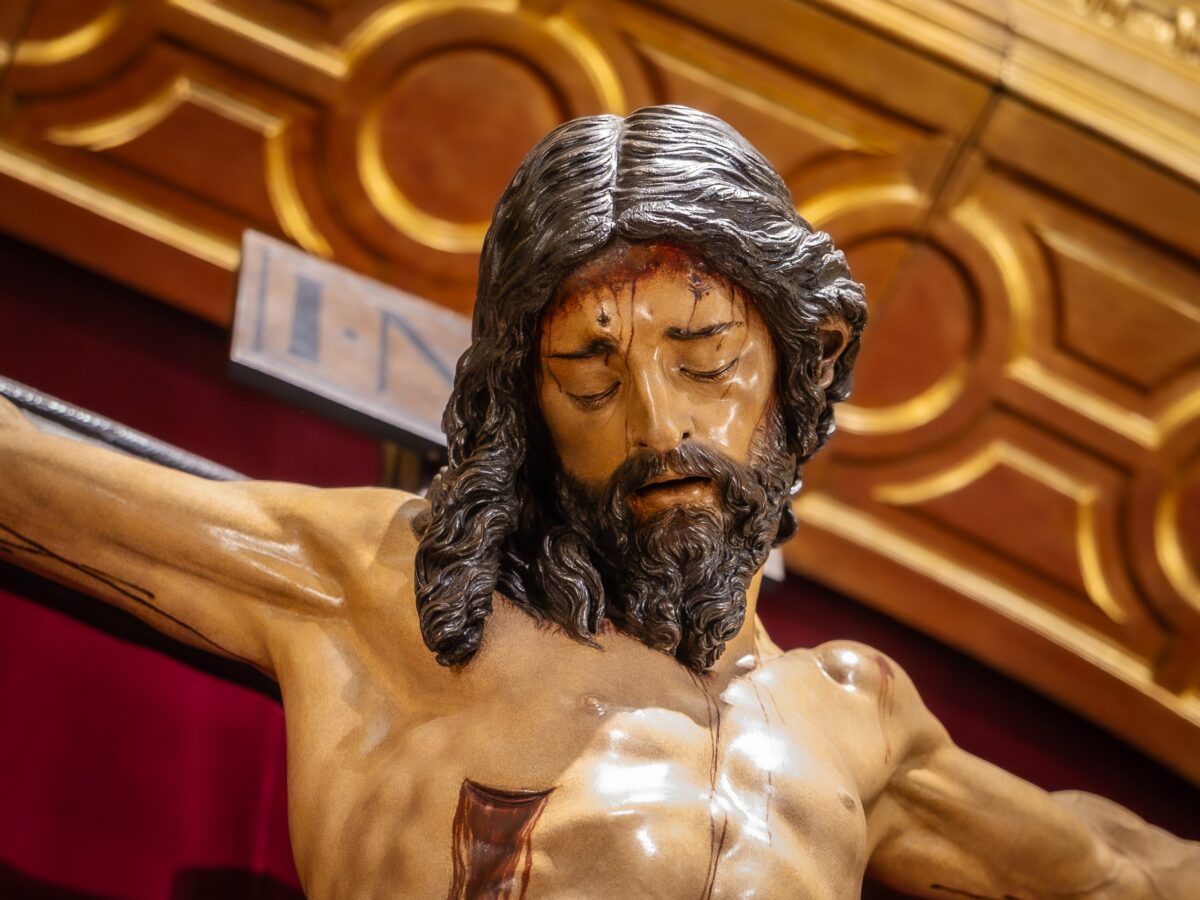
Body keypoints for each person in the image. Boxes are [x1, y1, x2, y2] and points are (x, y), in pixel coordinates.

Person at [0, 105, 1195, 899]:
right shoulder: (394, 593)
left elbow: (1119, 871)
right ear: (526, 401)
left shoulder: (853, 715)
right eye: (589, 372)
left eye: (707, 356)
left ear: (812, 355)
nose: (657, 425)